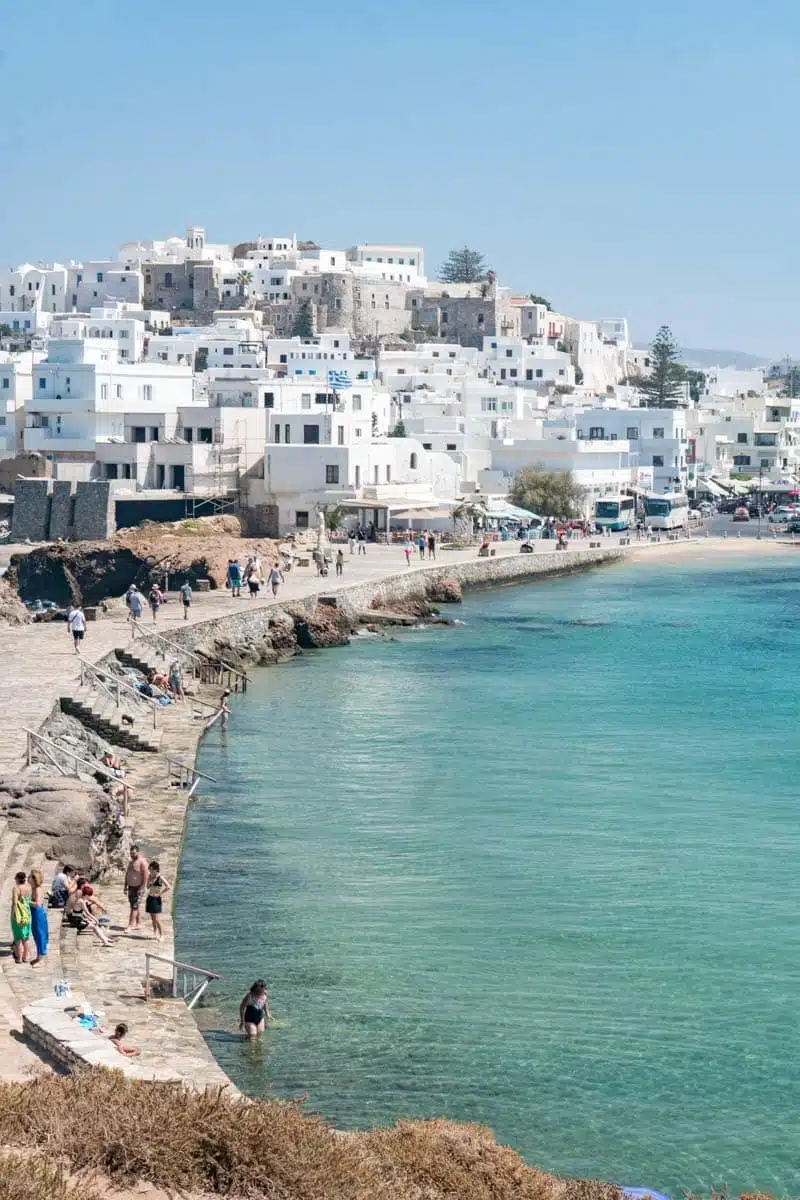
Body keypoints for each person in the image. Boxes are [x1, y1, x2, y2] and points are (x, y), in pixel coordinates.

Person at [124, 845, 149, 932]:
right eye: (131, 853)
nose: (132, 855)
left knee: (134, 907)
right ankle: (138, 923)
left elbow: (146, 875)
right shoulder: (131, 862)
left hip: (138, 888)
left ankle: (130, 925)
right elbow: (127, 874)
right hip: (131, 887)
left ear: (138, 852)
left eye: (133, 853)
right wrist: (125, 886)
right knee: (134, 905)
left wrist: (142, 888)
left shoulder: (142, 862)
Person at [145, 860, 171, 941]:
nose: (150, 871)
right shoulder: (150, 876)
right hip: (150, 898)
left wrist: (159, 894)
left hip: (156, 900)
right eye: (149, 870)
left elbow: (168, 886)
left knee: (157, 919)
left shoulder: (160, 878)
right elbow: (148, 887)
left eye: (151, 870)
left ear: (156, 869)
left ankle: (162, 935)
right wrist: (149, 883)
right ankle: (154, 933)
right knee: (153, 919)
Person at [10, 871, 31, 963]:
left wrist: (13, 914)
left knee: (18, 937)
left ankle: (18, 958)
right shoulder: (28, 887)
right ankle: (26, 957)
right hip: (27, 914)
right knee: (26, 937)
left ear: (17, 879)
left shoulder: (16, 888)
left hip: (19, 914)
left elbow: (15, 902)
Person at [28, 869, 48, 965]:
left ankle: (41, 959)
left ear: (34, 879)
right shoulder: (33, 888)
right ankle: (38, 956)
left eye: (30, 876)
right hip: (35, 914)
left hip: (38, 914)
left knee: (40, 935)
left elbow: (38, 904)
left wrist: (26, 902)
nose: (28, 877)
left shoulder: (37, 889)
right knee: (36, 934)